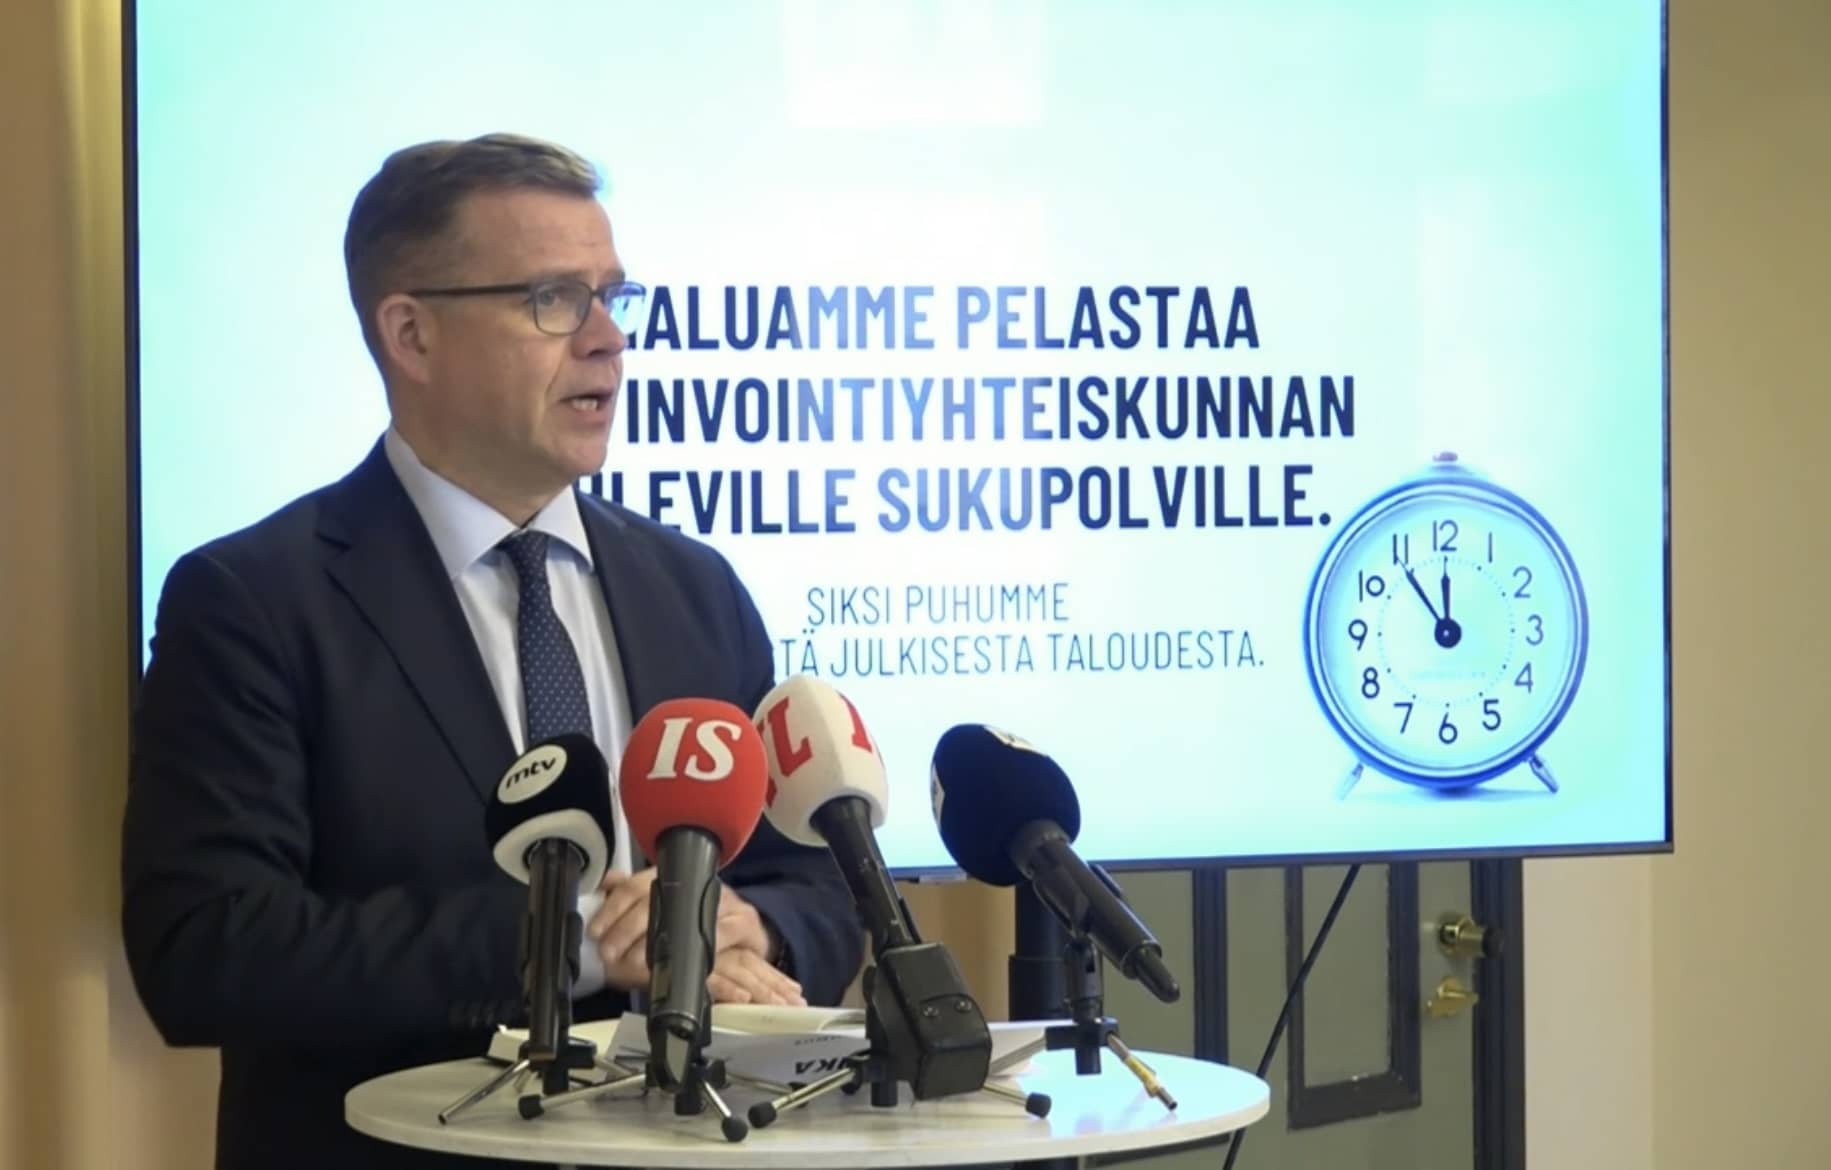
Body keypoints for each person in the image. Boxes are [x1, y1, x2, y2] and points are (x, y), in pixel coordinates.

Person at [120, 133, 865, 1170]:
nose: (607, 339)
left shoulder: (693, 589)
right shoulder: (254, 602)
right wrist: (571, 943)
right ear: (412, 334)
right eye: (554, 299)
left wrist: (749, 929)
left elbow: (818, 884)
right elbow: (207, 949)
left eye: (613, 296)